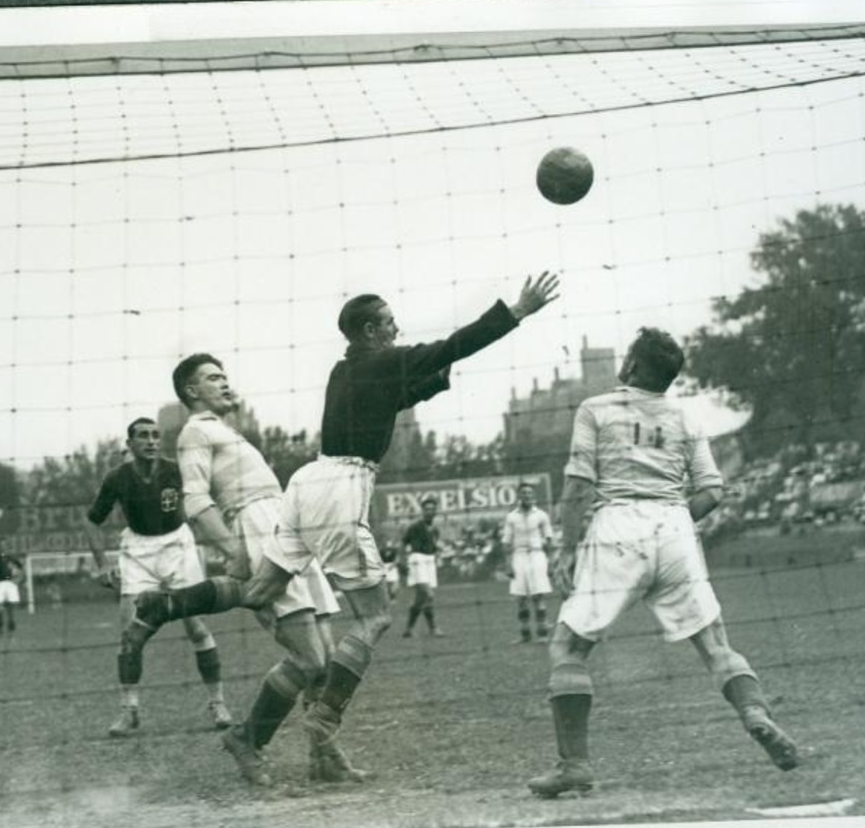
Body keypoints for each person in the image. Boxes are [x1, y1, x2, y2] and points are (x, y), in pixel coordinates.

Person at [129, 273, 560, 782]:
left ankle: (175, 605)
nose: (397, 328)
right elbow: (455, 344)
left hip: (303, 486)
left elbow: (392, 397)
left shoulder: (345, 370)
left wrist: (433, 379)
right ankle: (327, 712)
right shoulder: (380, 361)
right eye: (390, 322)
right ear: (371, 331)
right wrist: (515, 312)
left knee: (259, 588)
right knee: (376, 614)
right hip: (341, 487)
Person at [529, 327, 799, 798]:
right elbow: (713, 492)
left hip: (616, 527)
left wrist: (566, 549)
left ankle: (574, 765)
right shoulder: (687, 419)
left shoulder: (596, 409)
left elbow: (577, 488)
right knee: (716, 645)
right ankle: (755, 712)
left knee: (568, 648)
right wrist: (673, 518)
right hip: (675, 530)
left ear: (630, 366)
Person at [125, 355, 340, 785]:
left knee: (329, 660)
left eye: (224, 376)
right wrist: (232, 547)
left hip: (285, 527)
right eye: (212, 378)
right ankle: (246, 739)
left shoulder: (225, 430)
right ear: (191, 391)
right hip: (257, 529)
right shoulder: (194, 433)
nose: (224, 383)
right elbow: (195, 500)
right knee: (309, 657)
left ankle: (325, 756)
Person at [85, 416, 232, 738]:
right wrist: (100, 565)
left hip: (178, 545)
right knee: (129, 634)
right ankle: (129, 711)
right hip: (138, 551)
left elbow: (205, 498)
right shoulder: (117, 478)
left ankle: (218, 703)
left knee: (195, 626)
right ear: (130, 444)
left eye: (155, 435)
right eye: (143, 436)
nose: (151, 441)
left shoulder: (175, 470)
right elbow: (92, 521)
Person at [502, 481, 554, 643]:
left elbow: (549, 539)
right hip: (519, 556)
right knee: (521, 597)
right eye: (523, 493)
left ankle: (543, 634)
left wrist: (550, 561)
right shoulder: (511, 516)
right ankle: (525, 635)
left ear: (533, 495)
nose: (527, 496)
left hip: (537, 555)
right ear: (519, 496)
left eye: (529, 493)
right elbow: (506, 541)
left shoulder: (541, 515)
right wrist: (508, 563)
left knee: (538, 595)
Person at [401, 497, 443, 637]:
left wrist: (437, 552)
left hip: (430, 561)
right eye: (427, 509)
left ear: (436, 511)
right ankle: (434, 628)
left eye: (432, 509)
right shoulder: (415, 526)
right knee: (428, 595)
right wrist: (402, 562)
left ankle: (408, 629)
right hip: (417, 559)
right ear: (422, 511)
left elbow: (435, 545)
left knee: (420, 599)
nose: (430, 512)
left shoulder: (435, 529)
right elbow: (403, 543)